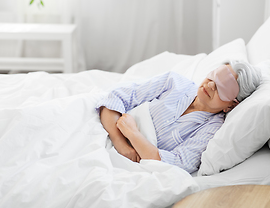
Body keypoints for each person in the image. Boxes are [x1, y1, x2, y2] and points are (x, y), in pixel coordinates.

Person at [96, 60, 261, 173]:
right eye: (214, 76)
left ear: (232, 105)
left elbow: (176, 164)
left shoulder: (212, 131)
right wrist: (121, 143)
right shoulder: (173, 82)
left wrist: (133, 133)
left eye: (222, 88)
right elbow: (114, 98)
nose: (210, 85)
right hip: (102, 132)